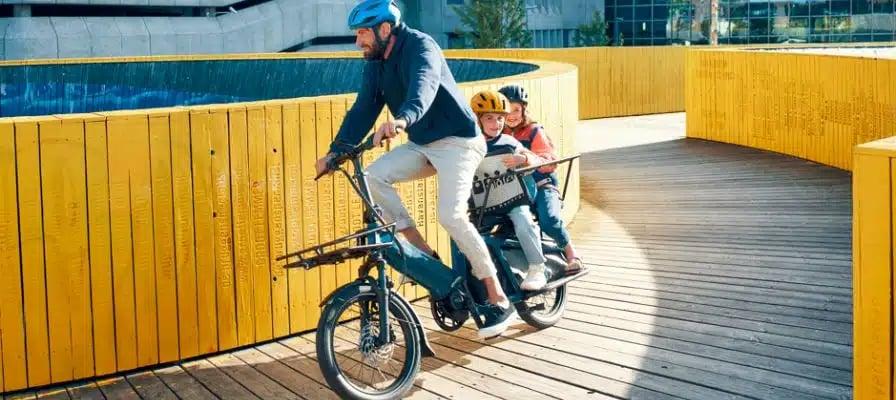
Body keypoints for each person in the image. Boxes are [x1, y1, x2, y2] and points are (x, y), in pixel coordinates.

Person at [315, 0, 516, 338]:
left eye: (362, 33)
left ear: (384, 29)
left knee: (451, 216)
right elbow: (364, 108)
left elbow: (423, 87)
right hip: (423, 143)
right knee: (374, 176)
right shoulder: (376, 62)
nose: (357, 41)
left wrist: (402, 119)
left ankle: (497, 296)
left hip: (458, 142)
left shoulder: (422, 46)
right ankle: (423, 252)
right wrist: (335, 152)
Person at [469, 90, 548, 291]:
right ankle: (478, 276)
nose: (496, 123)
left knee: (523, 219)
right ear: (478, 120)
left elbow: (537, 159)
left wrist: (524, 159)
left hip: (513, 199)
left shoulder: (509, 142)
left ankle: (537, 267)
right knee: (467, 232)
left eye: (500, 118)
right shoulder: (470, 146)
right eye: (489, 118)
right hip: (487, 204)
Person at [499, 85, 583, 274]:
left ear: (523, 109)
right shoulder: (499, 133)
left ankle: (572, 254)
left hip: (542, 185)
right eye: (507, 110)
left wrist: (527, 161)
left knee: (549, 219)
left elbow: (550, 161)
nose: (511, 115)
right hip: (516, 190)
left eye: (516, 110)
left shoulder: (533, 131)